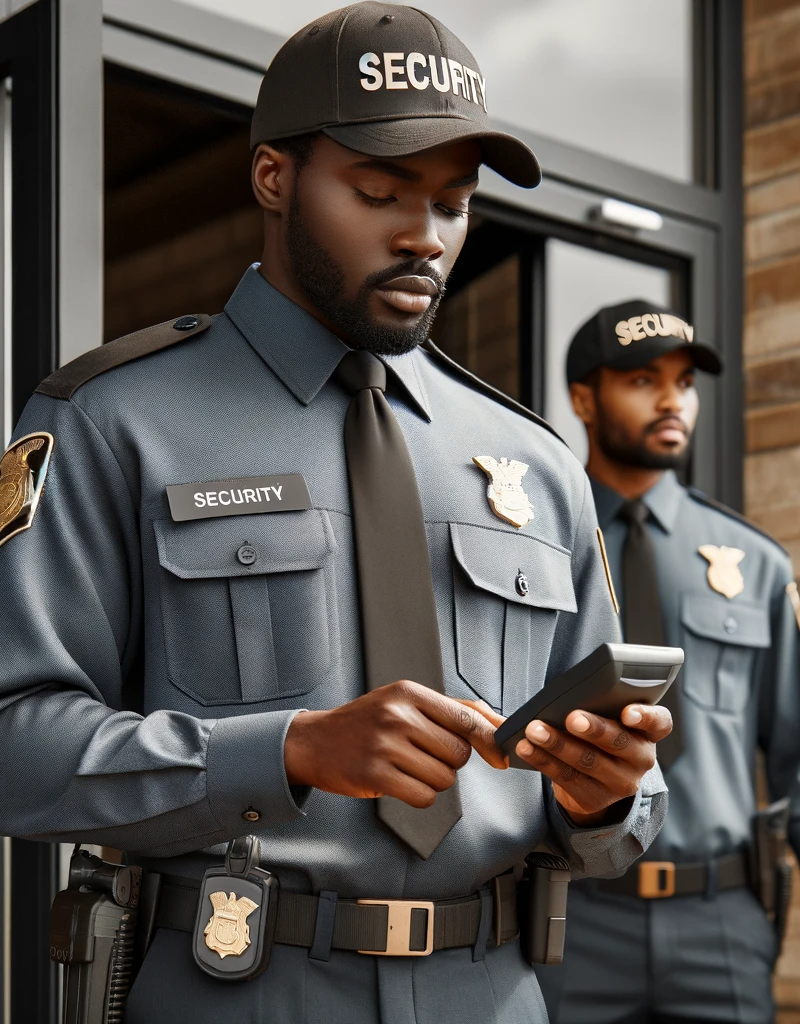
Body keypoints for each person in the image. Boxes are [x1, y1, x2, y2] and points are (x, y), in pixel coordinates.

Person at [0, 8, 671, 1023]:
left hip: (492, 991)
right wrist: (286, 751)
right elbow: (16, 744)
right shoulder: (111, 417)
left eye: (452, 204)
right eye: (378, 193)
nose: (424, 237)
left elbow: (622, 816)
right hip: (236, 984)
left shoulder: (533, 462)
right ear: (274, 179)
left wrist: (604, 791)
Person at [536, 299, 800, 1024]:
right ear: (585, 398)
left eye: (685, 382)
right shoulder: (532, 549)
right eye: (643, 379)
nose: (671, 400)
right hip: (571, 917)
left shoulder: (755, 564)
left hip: (719, 920)